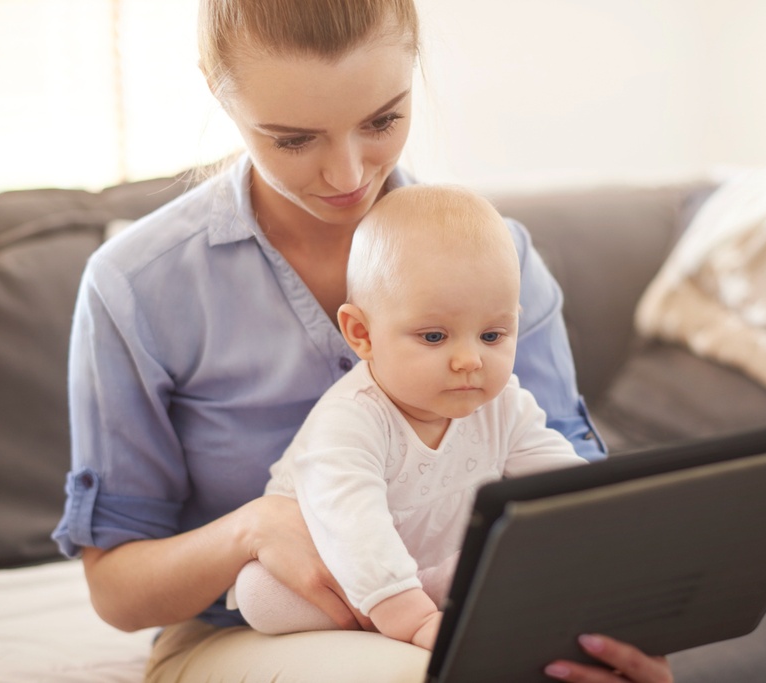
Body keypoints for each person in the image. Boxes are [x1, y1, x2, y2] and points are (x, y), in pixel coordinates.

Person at [51, 1, 674, 681]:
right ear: (216, 89)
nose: (348, 176)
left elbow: (571, 500)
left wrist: (615, 631)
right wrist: (252, 529)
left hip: (470, 613)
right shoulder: (138, 286)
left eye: (382, 121)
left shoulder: (502, 259)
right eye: (294, 139)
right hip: (248, 632)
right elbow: (117, 591)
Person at [232, 184, 589, 649]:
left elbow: (567, 485)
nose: (470, 360)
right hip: (330, 567)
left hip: (429, 564)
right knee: (261, 593)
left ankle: (433, 588)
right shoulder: (351, 421)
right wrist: (413, 621)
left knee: (523, 543)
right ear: (362, 334)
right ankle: (400, 604)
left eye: (492, 335)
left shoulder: (503, 404)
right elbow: (354, 528)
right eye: (435, 337)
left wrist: (609, 528)